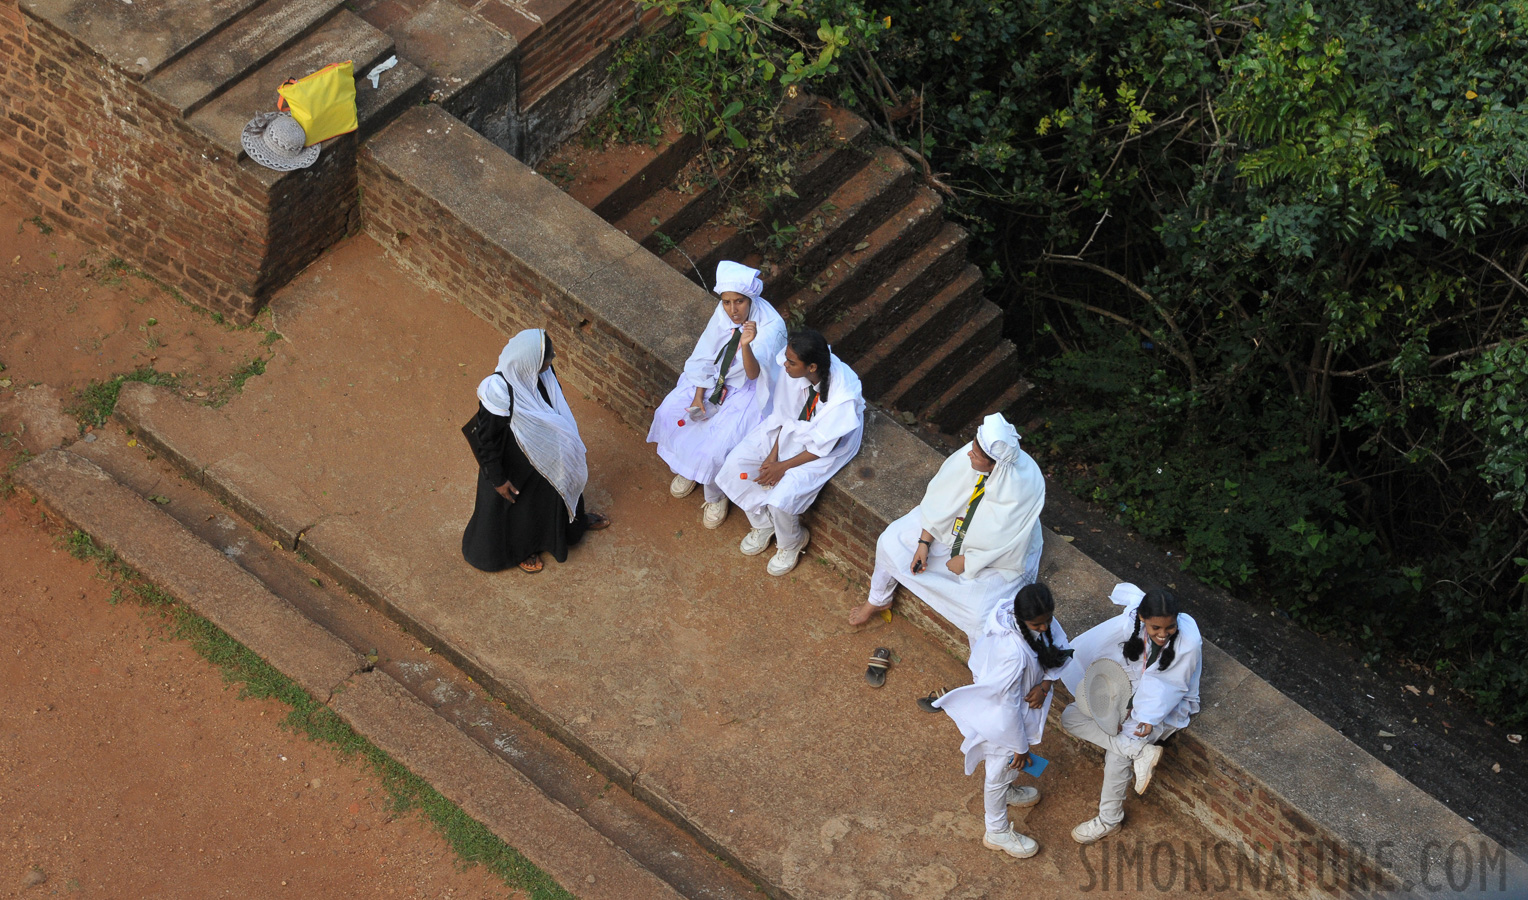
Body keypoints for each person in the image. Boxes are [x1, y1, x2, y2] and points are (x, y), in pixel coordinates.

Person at [848, 413, 1045, 641]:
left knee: (980, 613)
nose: (969, 453)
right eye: (972, 447)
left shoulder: (1020, 492)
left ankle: (983, 669)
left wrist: (968, 562)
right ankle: (879, 599)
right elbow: (941, 499)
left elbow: (1005, 541)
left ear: (996, 466)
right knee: (890, 542)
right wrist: (924, 542)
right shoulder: (973, 453)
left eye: (977, 455)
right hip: (954, 524)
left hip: (998, 554)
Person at [930, 583, 1073, 860]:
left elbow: (1061, 648)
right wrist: (1019, 746)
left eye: (1047, 621)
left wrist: (1044, 685)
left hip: (1018, 712)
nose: (1044, 628)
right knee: (998, 770)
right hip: (1003, 720)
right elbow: (1005, 707)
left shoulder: (1036, 620)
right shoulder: (1012, 654)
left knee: (1006, 770)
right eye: (1037, 624)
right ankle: (995, 830)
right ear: (1022, 619)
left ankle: (1007, 790)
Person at [647, 261, 787, 528]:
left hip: (747, 390)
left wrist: (746, 345)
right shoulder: (724, 312)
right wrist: (699, 393)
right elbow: (706, 352)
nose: (732, 310)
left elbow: (755, 374)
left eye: (739, 302)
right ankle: (687, 468)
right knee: (670, 413)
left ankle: (715, 495)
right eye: (726, 302)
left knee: (716, 448)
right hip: (713, 380)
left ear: (751, 299)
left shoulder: (772, 327)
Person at [1058, 585, 1202, 844]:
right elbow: (1106, 649)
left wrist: (1146, 717)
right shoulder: (1131, 622)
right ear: (1143, 619)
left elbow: (1171, 685)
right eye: (1155, 628)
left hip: (1166, 707)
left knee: (1117, 756)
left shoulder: (1188, 642)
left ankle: (1109, 820)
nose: (1163, 634)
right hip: (1132, 693)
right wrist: (1120, 701)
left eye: (1169, 628)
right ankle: (1139, 752)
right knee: (1070, 716)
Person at [717, 328, 865, 575]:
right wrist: (773, 454)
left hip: (825, 448)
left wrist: (782, 467)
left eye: (791, 362)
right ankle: (762, 524)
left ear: (812, 367)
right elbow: (785, 416)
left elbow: (821, 448)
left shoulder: (842, 398)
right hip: (792, 428)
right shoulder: (793, 371)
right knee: (735, 465)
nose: (784, 365)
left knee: (781, 499)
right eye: (786, 358)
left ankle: (791, 542)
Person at [462, 329, 610, 573]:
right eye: (547, 359)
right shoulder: (497, 391)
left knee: (561, 490)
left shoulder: (543, 374)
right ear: (528, 362)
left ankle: (574, 523)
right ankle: (523, 549)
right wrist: (498, 479)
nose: (551, 362)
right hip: (514, 467)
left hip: (549, 454)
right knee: (523, 511)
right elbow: (486, 440)